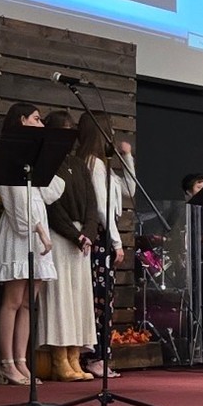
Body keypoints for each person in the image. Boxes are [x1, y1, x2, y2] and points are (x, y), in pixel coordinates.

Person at [0, 103, 65, 386]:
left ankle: (21, 360)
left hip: (38, 227)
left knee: (27, 303)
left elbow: (52, 191)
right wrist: (38, 229)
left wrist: (45, 158)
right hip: (21, 232)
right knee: (12, 300)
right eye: (36, 119)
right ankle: (7, 362)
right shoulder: (9, 155)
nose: (41, 124)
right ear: (22, 121)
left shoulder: (32, 157)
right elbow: (16, 205)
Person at [39, 110, 97, 382]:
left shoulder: (78, 164)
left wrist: (89, 232)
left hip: (82, 239)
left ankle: (75, 356)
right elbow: (52, 208)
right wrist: (75, 235)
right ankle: (59, 358)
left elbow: (92, 203)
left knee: (78, 299)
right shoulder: (47, 163)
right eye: (64, 131)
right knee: (61, 299)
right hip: (60, 238)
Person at [78, 112, 135, 379]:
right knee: (99, 298)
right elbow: (102, 208)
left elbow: (129, 189)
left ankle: (99, 355)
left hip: (105, 235)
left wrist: (127, 158)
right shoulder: (94, 165)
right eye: (109, 130)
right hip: (101, 236)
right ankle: (94, 357)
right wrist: (116, 241)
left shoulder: (104, 165)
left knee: (104, 297)